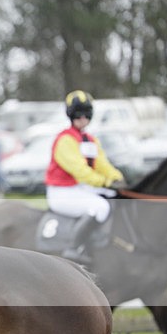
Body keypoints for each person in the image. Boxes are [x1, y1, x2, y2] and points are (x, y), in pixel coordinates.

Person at [45, 90, 125, 263]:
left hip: (78, 189)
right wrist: (104, 182)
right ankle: (74, 248)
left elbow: (102, 164)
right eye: (78, 114)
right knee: (100, 207)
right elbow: (79, 170)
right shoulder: (64, 140)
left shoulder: (90, 140)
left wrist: (117, 178)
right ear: (71, 116)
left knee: (114, 198)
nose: (82, 118)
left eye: (86, 114)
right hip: (61, 192)